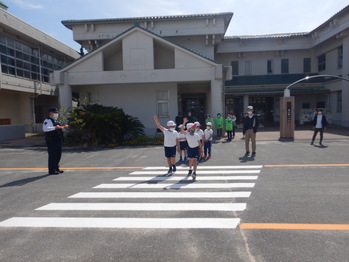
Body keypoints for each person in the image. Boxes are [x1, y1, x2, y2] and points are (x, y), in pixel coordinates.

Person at [43, 107, 68, 175]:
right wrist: (54, 127)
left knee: (58, 155)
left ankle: (56, 168)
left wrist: (63, 128)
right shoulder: (48, 120)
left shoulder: (56, 120)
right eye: (55, 112)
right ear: (50, 113)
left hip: (58, 140)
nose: (56, 114)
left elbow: (59, 128)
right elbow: (45, 129)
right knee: (52, 155)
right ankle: (52, 170)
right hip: (52, 140)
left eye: (56, 112)